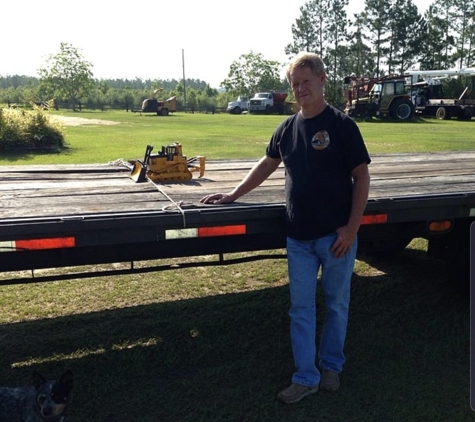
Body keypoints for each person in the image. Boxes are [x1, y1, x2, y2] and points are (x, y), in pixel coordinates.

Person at [200, 52, 371, 404]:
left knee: (337, 304)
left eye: (306, 81)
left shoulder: (341, 125)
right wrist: (233, 194)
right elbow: (266, 165)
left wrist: (351, 229)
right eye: (295, 84)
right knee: (301, 309)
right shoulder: (288, 127)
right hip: (299, 240)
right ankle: (305, 377)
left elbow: (361, 176)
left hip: (337, 237)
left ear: (322, 80)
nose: (300, 89)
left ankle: (331, 368)